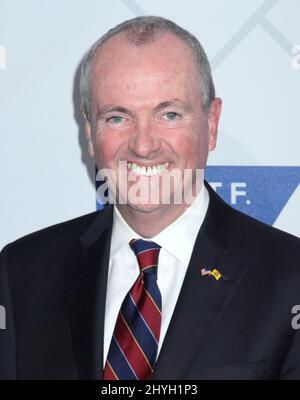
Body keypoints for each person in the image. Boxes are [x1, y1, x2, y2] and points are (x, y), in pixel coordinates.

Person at [0, 16, 300, 380]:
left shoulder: (289, 277)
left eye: (169, 114)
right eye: (116, 117)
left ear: (212, 124)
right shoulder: (21, 275)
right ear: (90, 133)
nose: (143, 145)